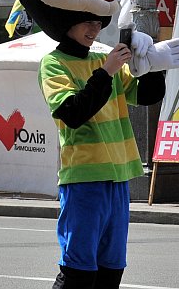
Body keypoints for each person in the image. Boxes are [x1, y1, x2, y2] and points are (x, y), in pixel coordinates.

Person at [41, 19, 166, 288]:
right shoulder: (53, 63)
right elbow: (73, 113)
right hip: (84, 179)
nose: (94, 29)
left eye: (98, 23)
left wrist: (153, 66)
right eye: (86, 21)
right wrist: (106, 72)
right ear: (66, 18)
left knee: (111, 271)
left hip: (119, 177)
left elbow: (146, 95)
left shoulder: (104, 59)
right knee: (78, 272)